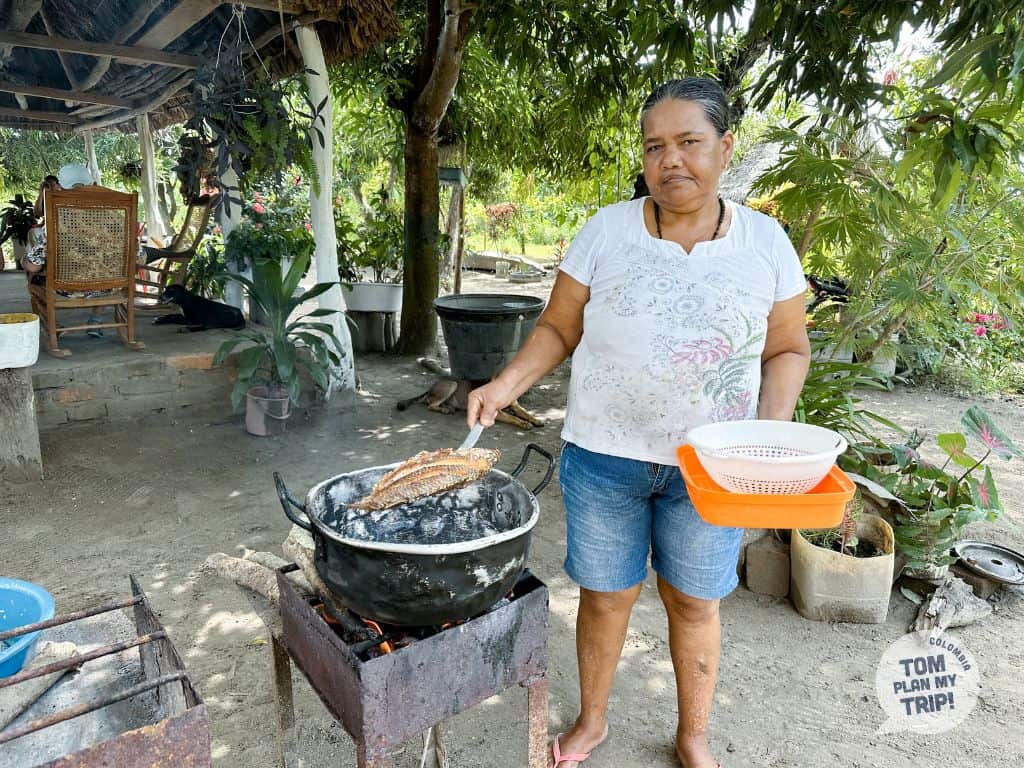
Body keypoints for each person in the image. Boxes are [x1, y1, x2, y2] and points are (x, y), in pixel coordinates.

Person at [466, 78, 810, 768]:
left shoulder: (766, 243)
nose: (671, 161)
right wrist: (505, 383)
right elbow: (559, 327)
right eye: (656, 146)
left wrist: (766, 439)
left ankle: (693, 735)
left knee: (695, 604)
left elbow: (788, 347)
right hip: (605, 456)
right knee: (605, 598)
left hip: (712, 471)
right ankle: (592, 722)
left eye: (689, 142)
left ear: (725, 147)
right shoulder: (605, 231)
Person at [22, 164, 107, 337]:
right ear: (91, 184)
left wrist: (24, 260)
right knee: (100, 270)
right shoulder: (116, 217)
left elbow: (33, 266)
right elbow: (140, 258)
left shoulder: (57, 221)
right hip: (107, 287)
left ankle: (55, 325)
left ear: (61, 187)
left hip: (67, 289)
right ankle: (96, 321)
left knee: (33, 280)